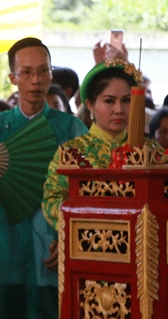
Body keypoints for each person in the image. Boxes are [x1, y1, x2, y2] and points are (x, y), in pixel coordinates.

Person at [0, 37, 88, 319]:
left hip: (56, 259)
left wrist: (68, 236)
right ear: (13, 78)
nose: (36, 80)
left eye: (43, 71)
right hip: (5, 256)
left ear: (50, 74)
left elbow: (87, 198)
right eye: (27, 72)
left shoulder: (71, 132)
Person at [43, 61, 152, 229]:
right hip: (88, 243)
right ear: (90, 105)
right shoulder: (71, 153)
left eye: (127, 101)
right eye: (109, 101)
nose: (119, 109)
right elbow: (52, 200)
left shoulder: (150, 152)